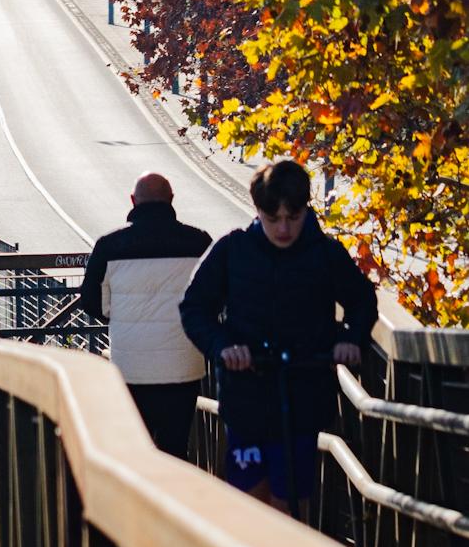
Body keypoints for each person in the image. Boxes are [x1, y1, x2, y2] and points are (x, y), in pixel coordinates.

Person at [180, 159, 377, 516]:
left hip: (303, 394)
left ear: (305, 209)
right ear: (258, 211)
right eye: (273, 220)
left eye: (293, 217)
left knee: (292, 501)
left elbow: (362, 301)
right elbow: (194, 308)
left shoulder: (325, 253)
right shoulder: (233, 250)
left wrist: (351, 338)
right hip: (247, 396)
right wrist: (222, 346)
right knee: (249, 500)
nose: (284, 228)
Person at [78, 172, 213, 457]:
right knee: (175, 449)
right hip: (182, 366)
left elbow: (90, 301)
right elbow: (215, 298)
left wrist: (123, 318)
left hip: (130, 366)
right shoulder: (199, 243)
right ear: (171, 200)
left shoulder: (109, 246)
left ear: (133, 201)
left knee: (133, 450)